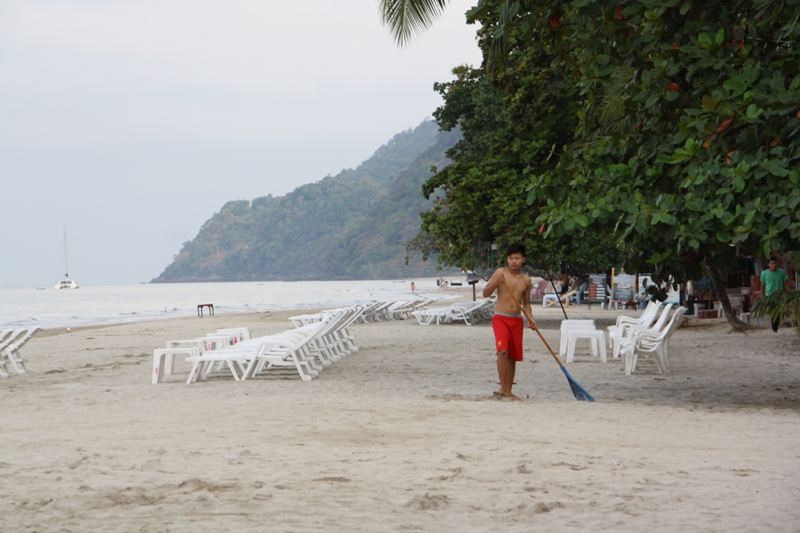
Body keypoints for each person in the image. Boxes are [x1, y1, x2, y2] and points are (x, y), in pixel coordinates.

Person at [483, 243, 536, 401]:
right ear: (507, 259)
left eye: (517, 258)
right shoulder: (501, 273)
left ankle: (508, 390)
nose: (514, 261)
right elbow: (486, 293)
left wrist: (531, 319)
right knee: (503, 351)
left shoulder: (526, 280)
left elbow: (526, 304)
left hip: (516, 320)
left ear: (523, 259)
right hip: (500, 318)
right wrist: (495, 282)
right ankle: (502, 387)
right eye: (511, 258)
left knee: (512, 356)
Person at [760, 258, 791, 332]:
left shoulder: (782, 272)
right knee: (773, 312)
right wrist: (762, 297)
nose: (774, 265)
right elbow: (762, 286)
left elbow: (786, 284)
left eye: (775, 263)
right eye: (772, 263)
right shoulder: (764, 273)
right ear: (768, 264)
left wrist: (789, 294)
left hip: (780, 295)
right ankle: (774, 328)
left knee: (780, 312)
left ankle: (776, 325)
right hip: (770, 296)